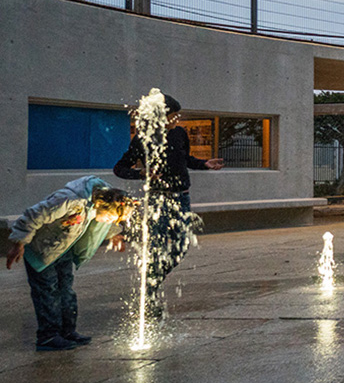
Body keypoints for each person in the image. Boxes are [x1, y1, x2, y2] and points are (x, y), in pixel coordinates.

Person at [114, 93, 223, 316]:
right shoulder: (143, 139)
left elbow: (186, 159)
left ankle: (151, 282)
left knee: (181, 246)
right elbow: (120, 168)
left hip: (181, 197)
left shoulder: (180, 133)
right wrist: (141, 173)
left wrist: (204, 164)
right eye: (173, 116)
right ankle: (149, 295)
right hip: (158, 200)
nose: (177, 119)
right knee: (156, 248)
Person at [5, 177, 130, 351]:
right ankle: (48, 336)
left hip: (62, 249)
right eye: (110, 217)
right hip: (41, 250)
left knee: (66, 290)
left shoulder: (98, 202)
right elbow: (34, 215)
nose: (109, 221)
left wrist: (113, 233)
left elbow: (101, 222)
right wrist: (19, 242)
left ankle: (67, 331)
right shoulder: (69, 201)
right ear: (100, 204)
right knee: (47, 292)